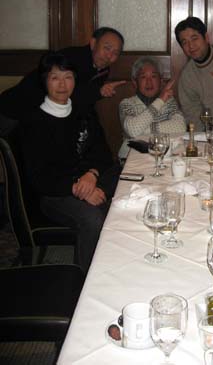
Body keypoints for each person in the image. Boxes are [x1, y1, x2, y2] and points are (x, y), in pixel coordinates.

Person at [19, 52, 121, 273]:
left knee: (125, 185)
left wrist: (91, 175)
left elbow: (103, 153)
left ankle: (117, 265)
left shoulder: (83, 112)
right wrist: (78, 189)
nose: (62, 84)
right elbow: (39, 177)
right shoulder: (34, 122)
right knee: (94, 218)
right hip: (55, 193)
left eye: (68, 77)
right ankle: (86, 278)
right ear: (45, 81)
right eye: (55, 77)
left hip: (89, 180)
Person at [0, 27, 126, 124]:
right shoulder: (70, 58)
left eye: (115, 53)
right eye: (107, 48)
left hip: (44, 116)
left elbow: (82, 102)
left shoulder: (103, 69)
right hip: (17, 110)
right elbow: (64, 94)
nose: (109, 56)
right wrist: (98, 91)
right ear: (93, 43)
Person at [118, 57, 186, 159]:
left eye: (153, 76)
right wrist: (160, 101)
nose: (149, 82)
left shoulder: (169, 102)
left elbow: (180, 127)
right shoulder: (126, 104)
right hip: (131, 159)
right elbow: (133, 130)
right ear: (135, 82)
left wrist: (142, 130)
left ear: (161, 80)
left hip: (162, 157)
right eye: (143, 77)